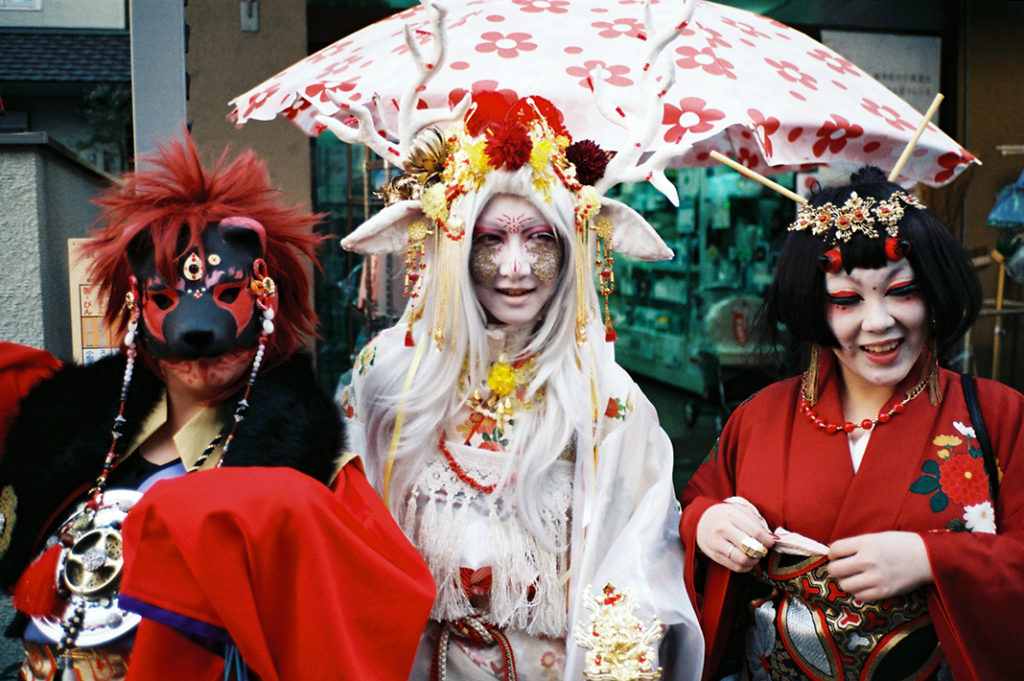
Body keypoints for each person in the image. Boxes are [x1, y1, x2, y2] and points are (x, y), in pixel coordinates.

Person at [0, 136, 434, 681]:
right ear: (134, 308)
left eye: (227, 294)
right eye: (164, 300)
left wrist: (272, 509)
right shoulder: (69, 431)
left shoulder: (316, 481)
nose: (196, 335)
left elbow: (380, 610)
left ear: (268, 299)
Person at [333, 88, 705, 681]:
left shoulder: (605, 394)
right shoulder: (387, 373)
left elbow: (641, 546)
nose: (516, 268)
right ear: (450, 242)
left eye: (540, 239)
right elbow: (342, 527)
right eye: (489, 239)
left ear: (575, 245)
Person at [679, 166, 1024, 681]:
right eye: (846, 300)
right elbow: (691, 507)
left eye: (902, 291)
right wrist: (705, 524)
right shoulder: (759, 416)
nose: (879, 322)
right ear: (814, 308)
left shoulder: (999, 414)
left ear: (934, 293)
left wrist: (934, 558)